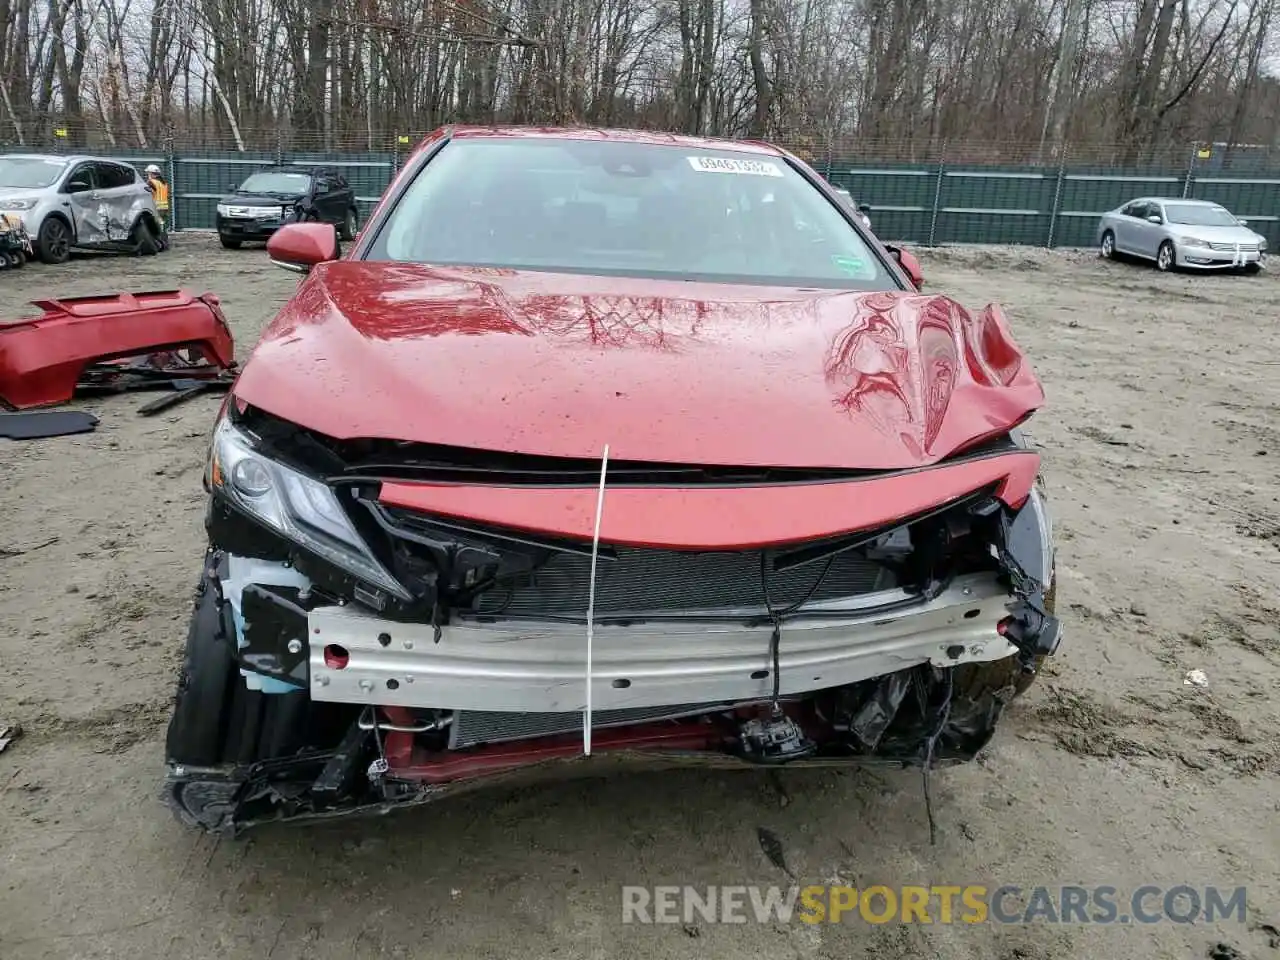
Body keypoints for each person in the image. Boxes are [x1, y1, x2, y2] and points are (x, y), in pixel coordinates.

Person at [144, 164, 170, 231]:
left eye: (148, 173)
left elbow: (146, 190)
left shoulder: (151, 182)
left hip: (156, 207)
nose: (147, 175)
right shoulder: (164, 183)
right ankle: (163, 238)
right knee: (161, 224)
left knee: (155, 225)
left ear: (151, 173)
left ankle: (159, 239)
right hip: (165, 208)